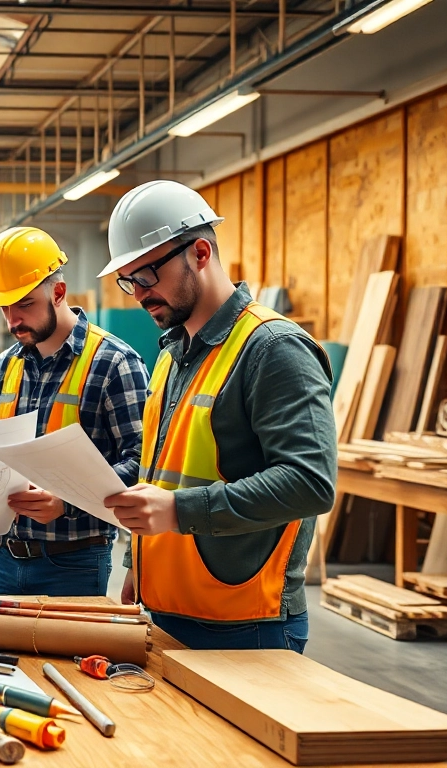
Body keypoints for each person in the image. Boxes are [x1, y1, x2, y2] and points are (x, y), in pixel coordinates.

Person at [100, 180, 336, 652]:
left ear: (201, 252)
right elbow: (160, 471)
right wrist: (138, 566)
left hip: (246, 622)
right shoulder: (172, 353)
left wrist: (177, 511)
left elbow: (310, 481)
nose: (139, 295)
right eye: (128, 281)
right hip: (166, 605)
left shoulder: (273, 348)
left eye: (147, 276)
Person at [0, 227, 148, 597]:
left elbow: (140, 463)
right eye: (5, 307)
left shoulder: (115, 362)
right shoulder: (7, 365)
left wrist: (66, 502)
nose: (12, 320)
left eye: (24, 304)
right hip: (5, 554)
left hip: (75, 560)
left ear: (57, 292)